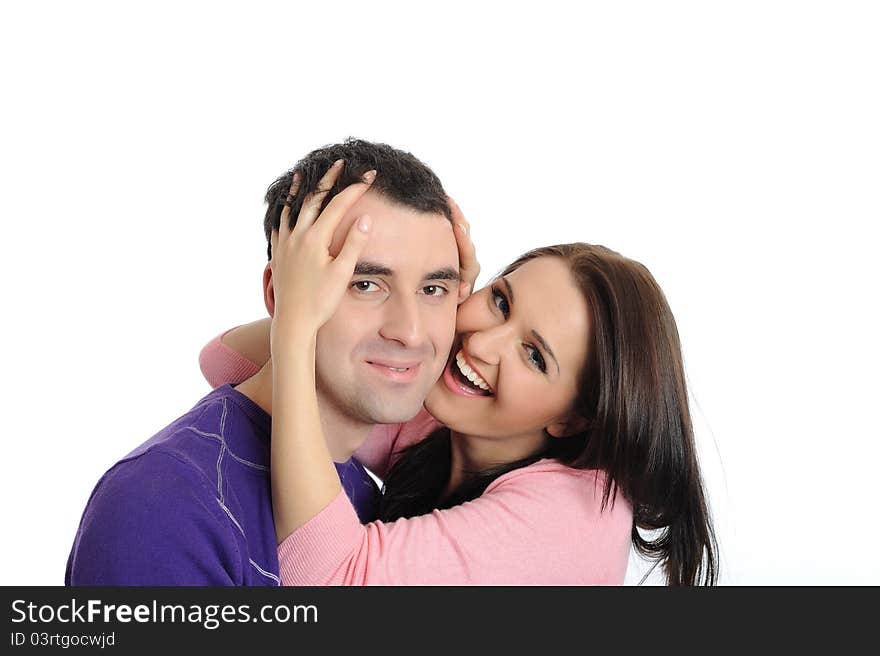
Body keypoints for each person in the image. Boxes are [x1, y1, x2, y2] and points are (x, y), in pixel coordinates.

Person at [205, 165, 720, 585]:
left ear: (572, 418)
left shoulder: (568, 519)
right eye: (499, 301)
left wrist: (295, 325)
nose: (482, 342)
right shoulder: (460, 425)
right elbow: (232, 365)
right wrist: (430, 305)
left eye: (535, 356)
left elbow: (331, 581)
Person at [65, 139, 477, 585]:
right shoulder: (161, 504)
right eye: (365, 284)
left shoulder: (359, 494)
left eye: (433, 290)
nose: (411, 331)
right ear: (279, 293)